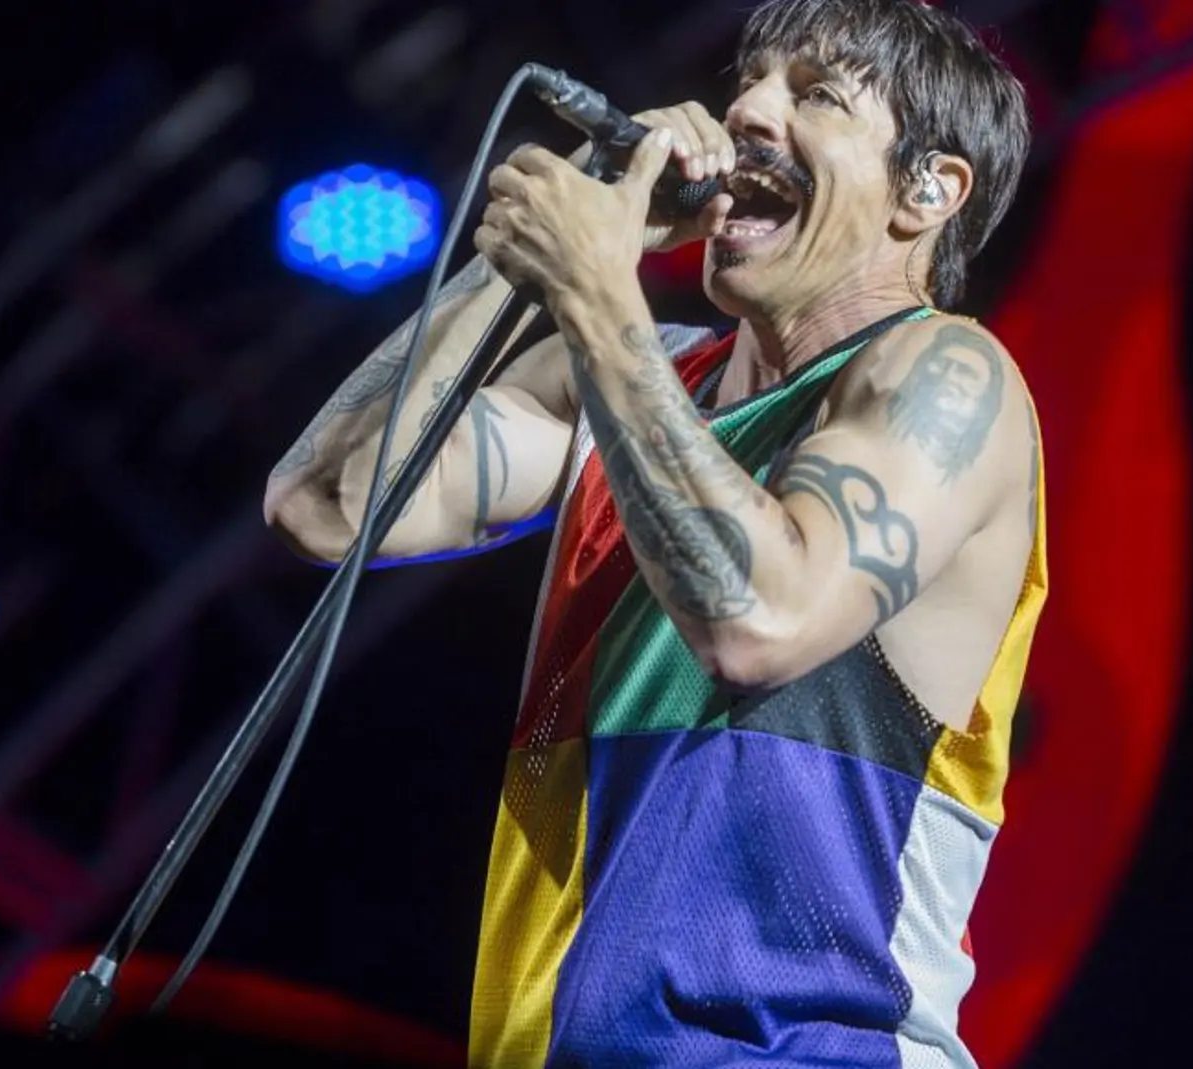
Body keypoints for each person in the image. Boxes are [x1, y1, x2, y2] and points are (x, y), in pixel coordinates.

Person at [264, 0, 1042, 1063]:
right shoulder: (635, 381)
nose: (750, 109)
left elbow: (763, 617)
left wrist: (594, 296)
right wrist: (532, 257)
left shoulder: (948, 376)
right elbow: (327, 503)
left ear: (927, 190)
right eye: (751, 79)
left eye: (815, 94)